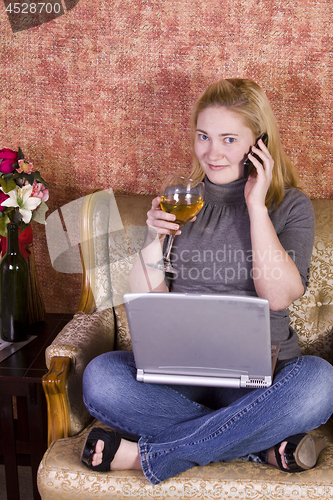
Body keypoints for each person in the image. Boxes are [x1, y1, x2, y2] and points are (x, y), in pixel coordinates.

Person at [81, 78, 333, 484]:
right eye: (204, 136)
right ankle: (260, 445)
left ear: (259, 144)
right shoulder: (182, 201)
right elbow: (148, 303)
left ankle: (147, 455)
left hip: (262, 383)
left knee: (320, 382)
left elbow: (279, 295)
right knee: (99, 377)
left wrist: (255, 206)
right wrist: (152, 240)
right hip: (180, 378)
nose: (212, 152)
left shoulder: (290, 206)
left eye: (229, 139)